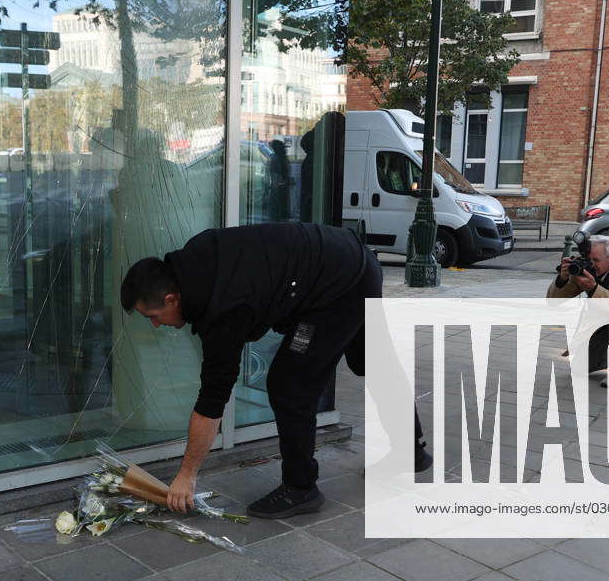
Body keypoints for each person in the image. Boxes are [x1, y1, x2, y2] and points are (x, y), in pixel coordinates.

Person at [120, 222, 431, 519]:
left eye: (154, 315)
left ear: (171, 298)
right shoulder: (194, 260)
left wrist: (186, 474)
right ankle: (411, 452)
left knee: (289, 383)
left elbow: (213, 399)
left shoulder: (224, 307)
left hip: (339, 285)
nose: (156, 324)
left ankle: (300, 487)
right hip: (352, 261)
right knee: (374, 361)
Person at [546, 233, 609, 385]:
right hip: (604, 322)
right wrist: (563, 279)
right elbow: (553, 301)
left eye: (596, 260)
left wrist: (593, 288)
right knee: (578, 368)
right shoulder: (591, 267)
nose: (592, 264)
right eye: (590, 259)